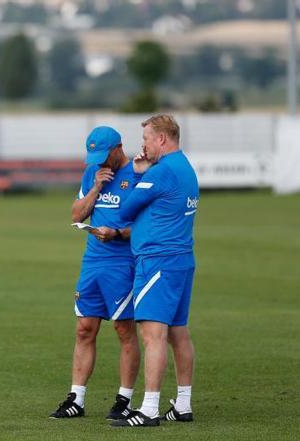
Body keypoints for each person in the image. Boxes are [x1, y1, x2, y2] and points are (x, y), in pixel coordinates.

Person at [111, 114, 199, 428]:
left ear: (162, 138)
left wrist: (136, 173)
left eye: (147, 138)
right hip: (181, 260)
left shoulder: (160, 173)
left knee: (153, 335)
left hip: (158, 261)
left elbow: (125, 209)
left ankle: (149, 409)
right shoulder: (185, 167)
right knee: (178, 332)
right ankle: (183, 405)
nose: (143, 145)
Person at [49, 126, 141, 421]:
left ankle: (124, 399)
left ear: (118, 148)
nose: (100, 163)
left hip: (123, 263)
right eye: (96, 158)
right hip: (92, 263)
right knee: (84, 329)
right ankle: (76, 399)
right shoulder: (93, 174)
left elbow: (145, 228)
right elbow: (77, 215)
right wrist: (96, 188)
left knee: (123, 330)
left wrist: (115, 233)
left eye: (104, 157)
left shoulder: (139, 175)